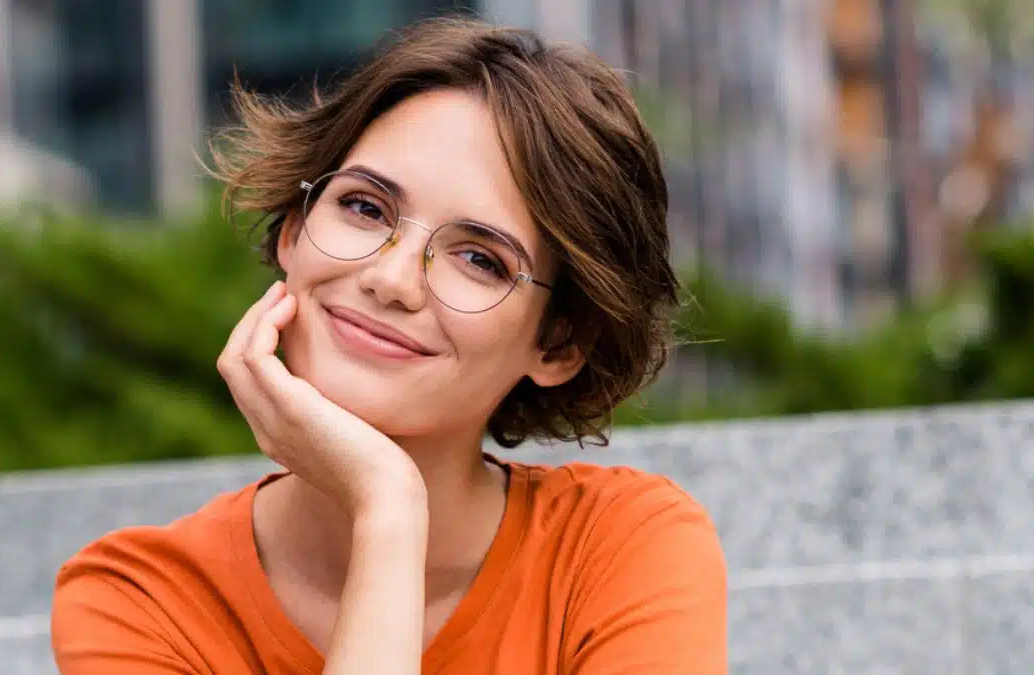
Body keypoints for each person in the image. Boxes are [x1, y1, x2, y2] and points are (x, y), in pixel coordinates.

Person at [50, 16, 727, 675]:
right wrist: (389, 508)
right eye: (365, 208)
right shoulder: (137, 602)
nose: (391, 279)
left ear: (558, 343)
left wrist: (386, 509)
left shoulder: (623, 549)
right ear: (293, 227)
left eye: (479, 259)